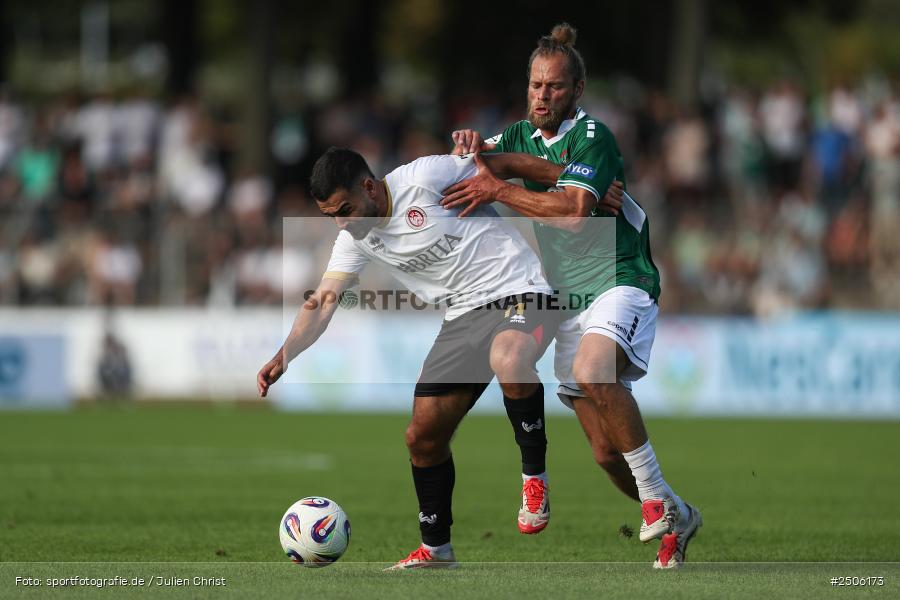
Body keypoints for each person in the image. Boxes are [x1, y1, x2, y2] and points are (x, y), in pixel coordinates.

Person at [444, 23, 702, 569]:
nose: (542, 95)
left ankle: (655, 498)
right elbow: (472, 164)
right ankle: (676, 511)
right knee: (606, 453)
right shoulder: (517, 137)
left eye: (554, 87)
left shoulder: (595, 138)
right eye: (535, 85)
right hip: (563, 294)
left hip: (619, 276)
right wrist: (467, 147)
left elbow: (574, 211)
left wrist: (498, 186)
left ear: (577, 91)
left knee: (592, 368)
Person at [258, 147, 590, 569]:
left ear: (369, 187)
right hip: (462, 317)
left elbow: (501, 164)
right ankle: (436, 549)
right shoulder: (355, 239)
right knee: (422, 437)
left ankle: (534, 478)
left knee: (509, 357)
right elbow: (322, 302)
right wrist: (285, 354)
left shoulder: (425, 177)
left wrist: (577, 182)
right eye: (330, 216)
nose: (341, 222)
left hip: (521, 289)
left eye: (345, 209)